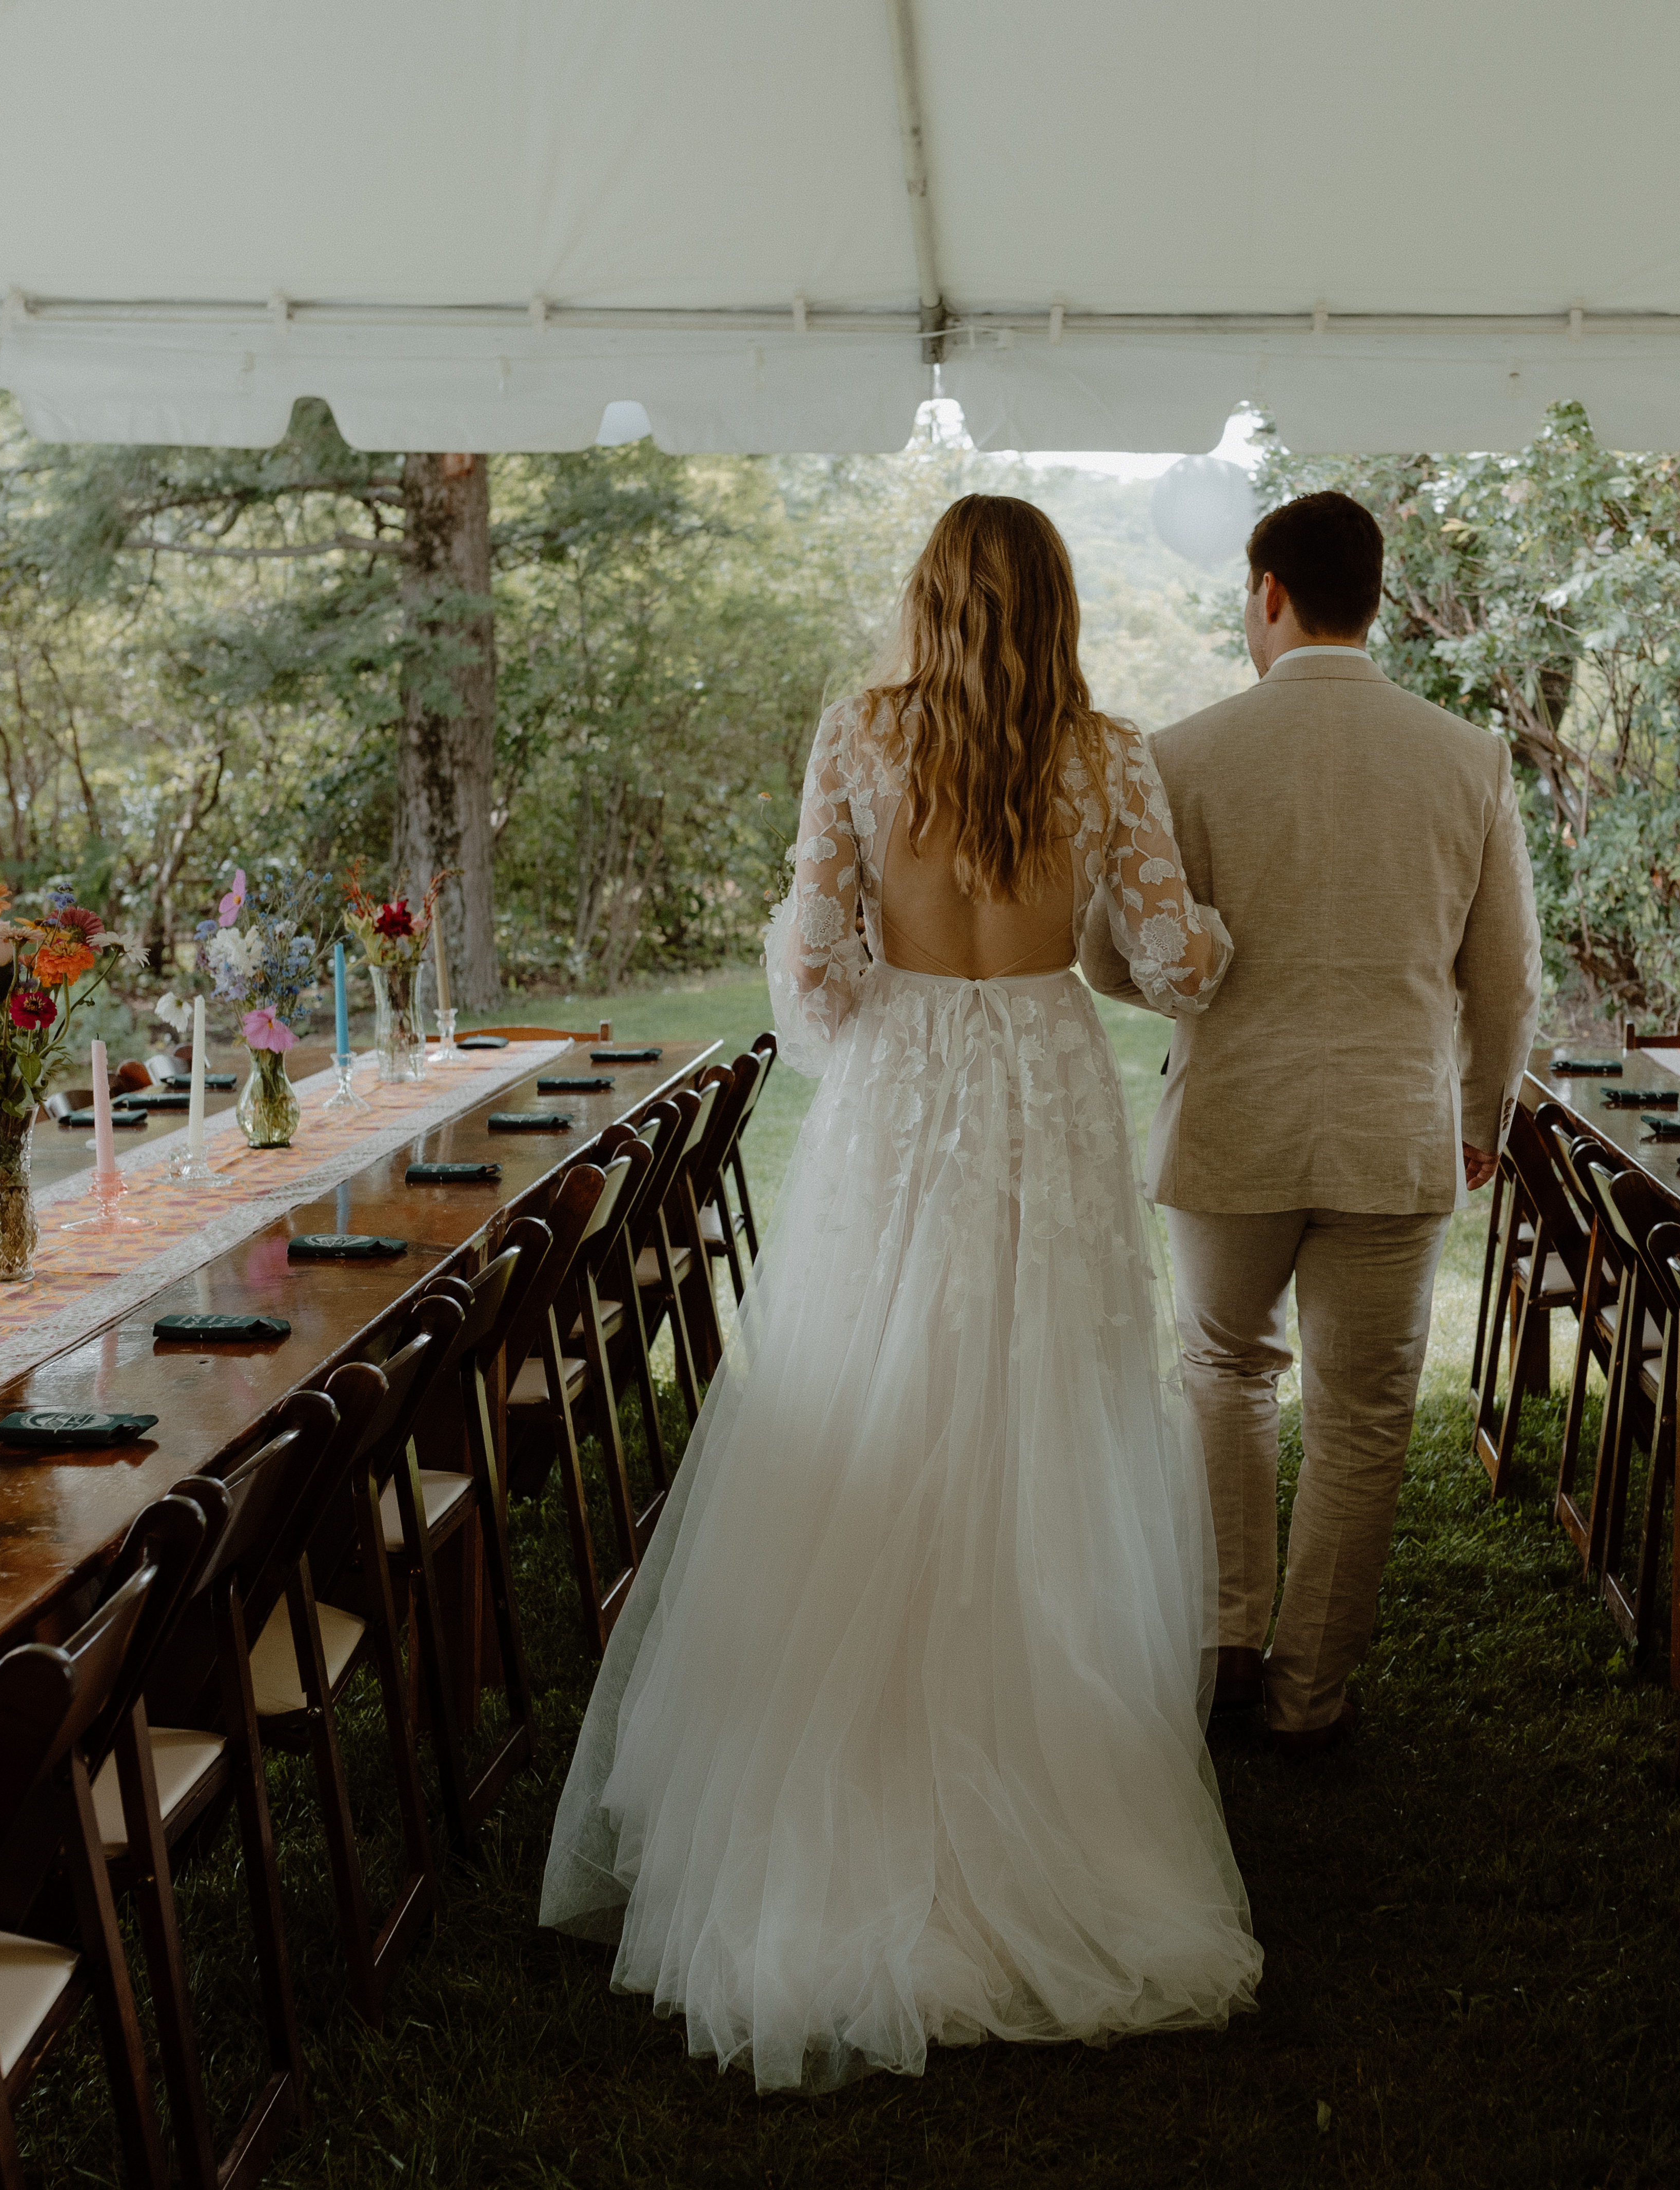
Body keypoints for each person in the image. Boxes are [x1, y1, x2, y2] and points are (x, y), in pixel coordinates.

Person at [542, 494, 1262, 2093]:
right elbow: (1173, 965)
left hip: (908, 1092)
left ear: (928, 600)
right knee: (1046, 1408)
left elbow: (812, 972)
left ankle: (848, 1785)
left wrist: (872, 956)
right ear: (1058, 603)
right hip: (1047, 1081)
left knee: (886, 1389)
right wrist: (1211, 922)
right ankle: (1046, 1766)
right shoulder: (1105, 750)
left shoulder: (859, 735)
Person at [1081, 489, 1539, 1756]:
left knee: (1225, 1373)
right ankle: (1311, 1696)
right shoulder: (1466, 756)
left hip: (1231, 1116)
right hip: (1397, 1133)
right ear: (1374, 598)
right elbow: (1502, 977)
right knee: (1366, 1414)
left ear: (1267, 591)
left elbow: (1111, 959)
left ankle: (1226, 1649)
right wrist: (1483, 1110)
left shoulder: (1181, 755)